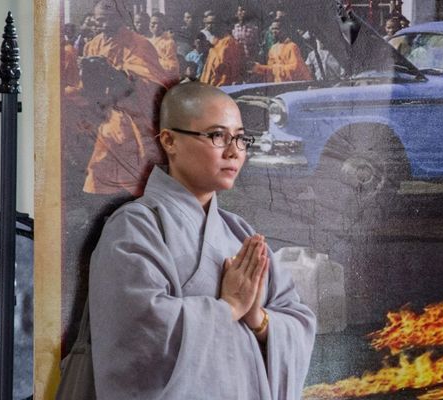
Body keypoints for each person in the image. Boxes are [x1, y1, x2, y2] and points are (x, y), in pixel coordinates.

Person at [88, 81, 316, 399]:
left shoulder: (239, 233)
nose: (234, 151)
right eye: (217, 135)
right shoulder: (133, 229)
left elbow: (297, 319)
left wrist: (259, 319)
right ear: (169, 141)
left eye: (240, 138)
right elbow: (137, 335)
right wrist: (229, 308)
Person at [79, 0, 172, 196]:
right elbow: (88, 86)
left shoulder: (139, 43)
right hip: (103, 114)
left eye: (107, 19)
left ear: (120, 17)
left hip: (131, 116)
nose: (102, 25)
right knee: (100, 166)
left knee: (129, 169)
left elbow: (153, 82)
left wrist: (116, 73)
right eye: (98, 20)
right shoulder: (93, 44)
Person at [200, 14, 246, 86]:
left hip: (222, 87)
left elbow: (223, 65)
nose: (209, 26)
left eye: (212, 23)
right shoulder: (214, 43)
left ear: (220, 25)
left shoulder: (229, 43)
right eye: (207, 23)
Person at [148, 12, 181, 79]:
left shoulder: (169, 42)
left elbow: (172, 65)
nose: (155, 26)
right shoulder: (147, 41)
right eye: (152, 23)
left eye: (158, 23)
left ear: (163, 25)